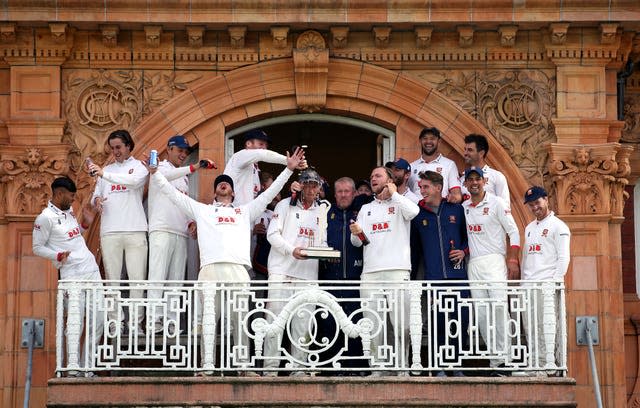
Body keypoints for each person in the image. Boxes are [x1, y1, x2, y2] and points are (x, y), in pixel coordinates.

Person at [148, 146, 305, 376]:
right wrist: (155, 173)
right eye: (219, 183)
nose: (224, 184)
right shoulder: (203, 211)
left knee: (240, 322)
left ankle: (242, 367)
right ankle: (207, 367)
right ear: (214, 193)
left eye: (227, 184)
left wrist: (288, 170)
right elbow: (171, 194)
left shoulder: (244, 212)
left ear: (232, 192)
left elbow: (269, 195)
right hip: (210, 271)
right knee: (209, 320)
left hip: (238, 272)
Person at [349, 166, 419, 376]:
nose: (373, 179)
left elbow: (414, 212)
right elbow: (358, 243)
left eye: (378, 175)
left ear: (390, 180)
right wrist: (356, 233)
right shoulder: (366, 209)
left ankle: (402, 367)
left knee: (401, 323)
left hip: (397, 270)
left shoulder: (400, 203)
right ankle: (377, 367)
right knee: (372, 322)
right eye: (371, 176)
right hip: (371, 272)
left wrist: (395, 194)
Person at [32, 177, 104, 377]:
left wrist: (85, 224)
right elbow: (37, 247)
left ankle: (88, 369)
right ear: (59, 193)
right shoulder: (44, 218)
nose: (73, 201)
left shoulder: (69, 212)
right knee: (75, 321)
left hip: (91, 269)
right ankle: (73, 368)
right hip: (72, 274)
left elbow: (73, 237)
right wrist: (57, 256)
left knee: (98, 319)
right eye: (71, 197)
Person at [263, 168, 329, 377]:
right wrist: (292, 251)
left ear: (320, 188)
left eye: (315, 185)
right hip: (281, 273)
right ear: (299, 185)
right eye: (307, 184)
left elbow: (322, 241)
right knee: (274, 324)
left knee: (303, 326)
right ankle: (270, 370)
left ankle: (299, 370)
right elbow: (272, 235)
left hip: (308, 275)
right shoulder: (284, 205)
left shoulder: (321, 211)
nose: (311, 189)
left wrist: (326, 252)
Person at [146, 135, 215, 334]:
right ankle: (154, 320)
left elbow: (183, 205)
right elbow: (164, 178)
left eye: (186, 152)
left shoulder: (183, 178)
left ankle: (171, 321)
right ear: (169, 149)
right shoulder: (159, 168)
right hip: (161, 228)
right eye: (180, 151)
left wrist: (191, 221)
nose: (184, 155)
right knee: (157, 276)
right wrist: (195, 167)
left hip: (180, 231)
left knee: (176, 280)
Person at [88, 129, 148, 335]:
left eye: (119, 147)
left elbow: (134, 182)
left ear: (129, 146)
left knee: (136, 279)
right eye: (113, 148)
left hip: (135, 229)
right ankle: (115, 321)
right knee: (112, 279)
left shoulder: (139, 166)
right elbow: (95, 196)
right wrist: (97, 201)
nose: (116, 152)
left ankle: (135, 323)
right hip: (110, 230)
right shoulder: (106, 170)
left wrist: (104, 173)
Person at [462, 166, 520, 375]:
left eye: (478, 179)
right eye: (471, 180)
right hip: (474, 263)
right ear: (466, 184)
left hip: (495, 261)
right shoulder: (464, 207)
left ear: (484, 182)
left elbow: (513, 232)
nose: (474, 183)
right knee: (482, 313)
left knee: (498, 309)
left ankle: (507, 358)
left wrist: (512, 259)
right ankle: (496, 362)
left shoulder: (497, 203)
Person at [410, 171, 469, 377]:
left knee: (460, 321)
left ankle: (457, 364)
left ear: (438, 187)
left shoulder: (456, 210)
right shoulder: (418, 215)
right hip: (434, 279)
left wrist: (463, 251)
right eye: (421, 187)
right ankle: (439, 367)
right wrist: (411, 280)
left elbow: (468, 239)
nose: (422, 190)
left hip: (458, 277)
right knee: (438, 323)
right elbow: (414, 251)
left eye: (426, 186)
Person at [318, 177, 372, 375]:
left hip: (355, 277)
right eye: (339, 191)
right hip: (329, 279)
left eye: (347, 191)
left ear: (354, 193)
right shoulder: (325, 213)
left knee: (356, 322)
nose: (342, 195)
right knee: (329, 323)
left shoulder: (362, 213)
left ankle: (357, 367)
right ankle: (330, 368)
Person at [520, 186, 571, 376]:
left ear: (546, 200)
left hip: (546, 285)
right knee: (530, 326)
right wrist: (523, 284)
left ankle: (547, 365)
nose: (534, 208)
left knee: (547, 326)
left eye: (537, 203)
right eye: (531, 205)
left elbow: (563, 258)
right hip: (529, 286)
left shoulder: (559, 226)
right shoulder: (529, 228)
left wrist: (555, 283)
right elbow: (526, 258)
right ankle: (535, 363)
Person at [224, 129, 306, 205]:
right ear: (248, 144)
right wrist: (288, 161)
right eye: (261, 144)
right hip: (231, 214)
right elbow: (262, 154)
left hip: (244, 215)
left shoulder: (255, 168)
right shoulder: (240, 156)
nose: (264, 148)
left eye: (266, 145)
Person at [408, 127, 462, 203]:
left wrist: (451, 201)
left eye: (432, 138)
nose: (428, 141)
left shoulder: (449, 164)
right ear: (420, 141)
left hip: (439, 211)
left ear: (439, 141)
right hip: (416, 212)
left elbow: (457, 195)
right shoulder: (412, 166)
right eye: (425, 138)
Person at [460, 134, 510, 204]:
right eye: (465, 149)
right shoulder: (462, 179)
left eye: (470, 150)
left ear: (481, 153)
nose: (465, 153)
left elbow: (505, 206)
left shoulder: (497, 176)